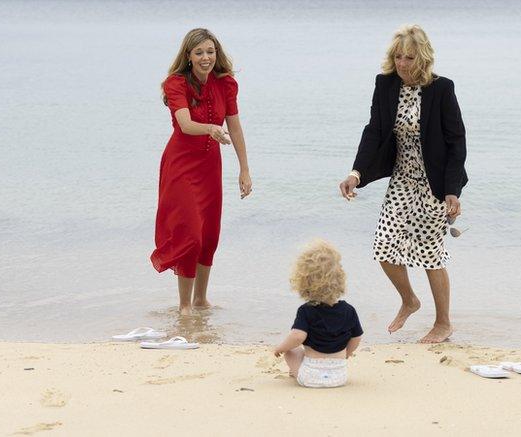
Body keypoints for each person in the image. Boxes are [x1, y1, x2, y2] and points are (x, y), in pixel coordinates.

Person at [338, 24, 467, 344]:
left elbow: (456, 141)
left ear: (421, 58)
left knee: (430, 253)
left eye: (409, 57)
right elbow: (374, 132)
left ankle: (443, 323)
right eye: (398, 57)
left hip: (433, 184)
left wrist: (452, 190)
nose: (402, 63)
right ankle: (409, 300)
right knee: (384, 246)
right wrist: (356, 173)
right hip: (401, 180)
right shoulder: (385, 86)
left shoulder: (442, 89)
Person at [151, 28, 252, 315]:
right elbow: (184, 124)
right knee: (190, 234)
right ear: (189, 56)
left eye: (210, 51)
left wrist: (244, 169)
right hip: (180, 166)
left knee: (209, 234)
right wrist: (209, 129)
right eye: (199, 52)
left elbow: (234, 126)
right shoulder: (176, 84)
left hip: (210, 167)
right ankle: (184, 305)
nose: (206, 57)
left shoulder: (226, 84)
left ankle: (201, 300)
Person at [273, 240, 363, 388]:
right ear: (340, 279)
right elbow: (357, 337)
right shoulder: (349, 310)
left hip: (310, 376)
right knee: (302, 351)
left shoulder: (306, 310)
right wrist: (346, 353)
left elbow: (297, 337)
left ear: (303, 281)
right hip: (339, 376)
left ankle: (294, 371)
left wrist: (280, 349)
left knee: (291, 350)